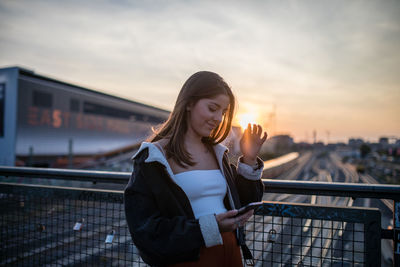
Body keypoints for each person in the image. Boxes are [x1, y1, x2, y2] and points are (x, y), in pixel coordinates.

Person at [124, 71, 267, 267]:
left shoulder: (218, 154)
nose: (218, 118)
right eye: (212, 108)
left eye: (223, 112)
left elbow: (243, 203)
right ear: (189, 103)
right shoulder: (153, 158)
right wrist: (211, 227)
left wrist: (249, 159)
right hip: (187, 259)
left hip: (230, 253)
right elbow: (145, 230)